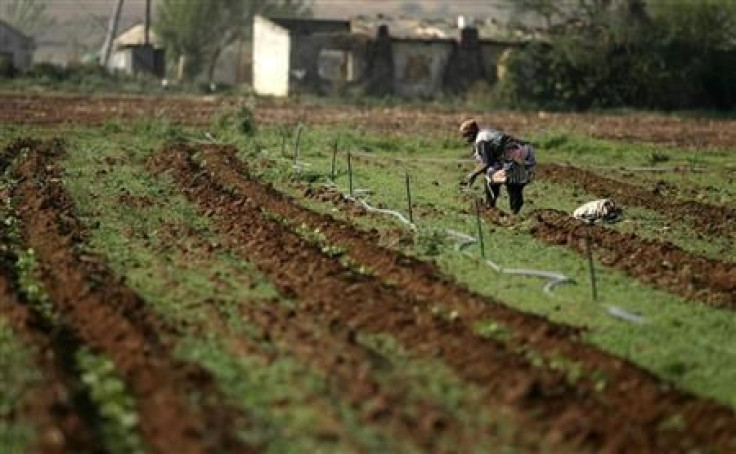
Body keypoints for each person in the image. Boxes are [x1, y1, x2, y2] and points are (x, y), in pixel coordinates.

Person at [459, 118, 536, 214]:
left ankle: (492, 208)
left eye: (465, 136)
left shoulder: (481, 140)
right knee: (511, 183)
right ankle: (512, 212)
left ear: (471, 133)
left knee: (493, 177)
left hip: (517, 155)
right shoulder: (485, 134)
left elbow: (486, 163)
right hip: (524, 152)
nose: (465, 139)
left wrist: (472, 174)